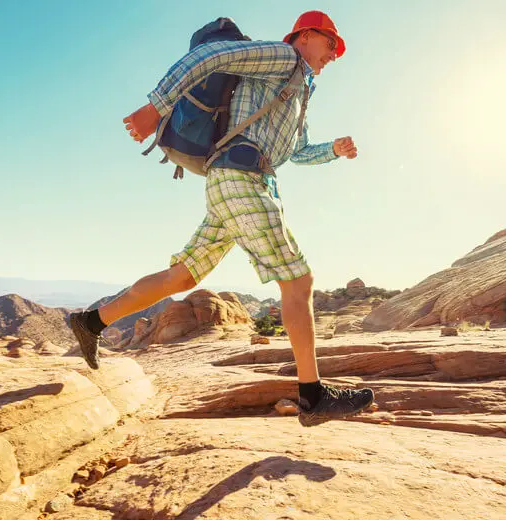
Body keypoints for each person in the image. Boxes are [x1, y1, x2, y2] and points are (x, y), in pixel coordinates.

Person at [69, 11, 374, 427]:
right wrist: (155, 107)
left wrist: (332, 151)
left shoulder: (300, 89)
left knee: (182, 277)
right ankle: (312, 395)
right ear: (306, 35)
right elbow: (212, 56)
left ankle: (90, 322)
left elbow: (295, 151)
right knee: (298, 280)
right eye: (331, 44)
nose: (334, 55)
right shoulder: (283, 57)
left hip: (237, 182)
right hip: (240, 181)